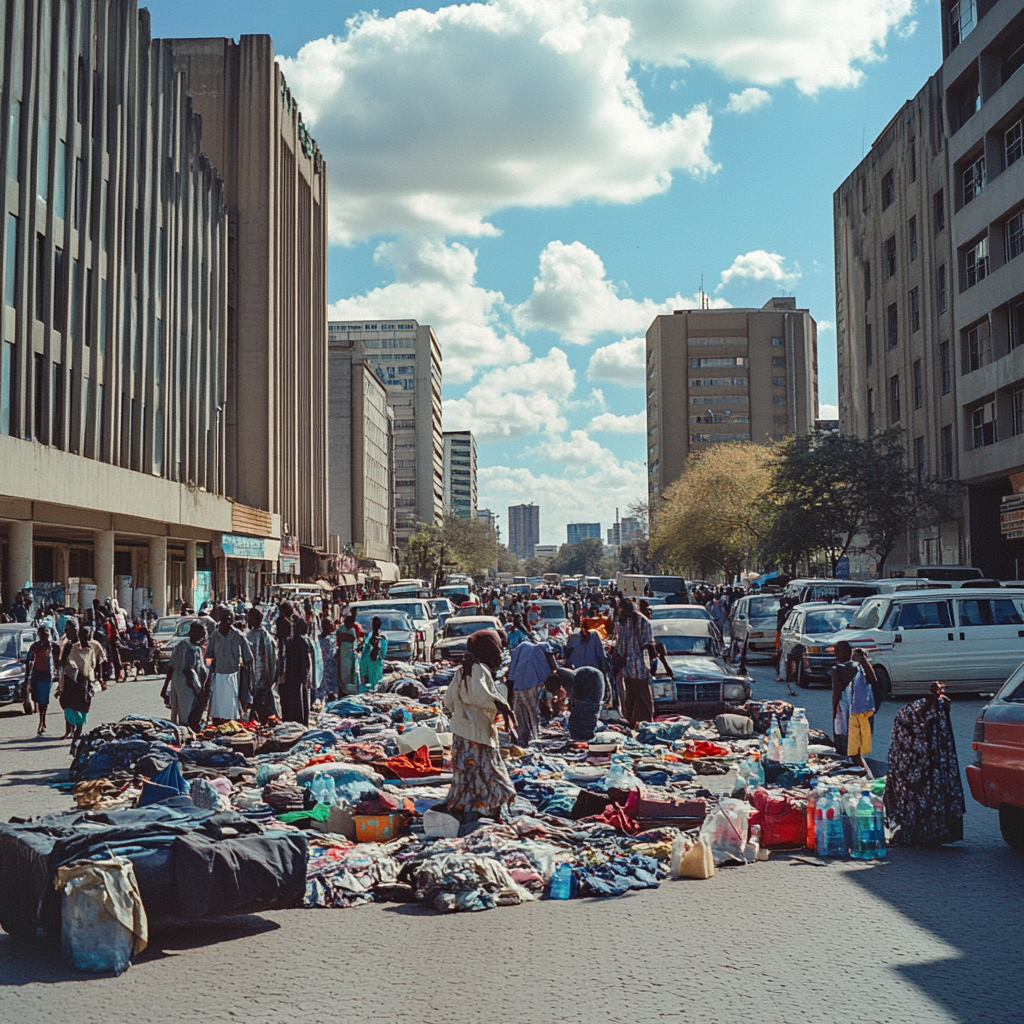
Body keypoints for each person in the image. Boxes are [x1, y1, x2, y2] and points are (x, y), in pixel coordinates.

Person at [442, 630, 516, 824]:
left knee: (467, 777)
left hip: (461, 734)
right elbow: (481, 696)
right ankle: (490, 812)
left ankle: (468, 813)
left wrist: (460, 710)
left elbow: (448, 700)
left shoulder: (462, 670)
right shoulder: (479, 669)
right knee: (492, 774)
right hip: (479, 735)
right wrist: (502, 707)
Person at [885, 681, 965, 846]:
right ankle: (933, 831)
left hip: (920, 762)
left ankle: (920, 832)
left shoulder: (920, 711)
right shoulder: (936, 708)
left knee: (917, 792)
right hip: (929, 761)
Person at [205, 604, 254, 724]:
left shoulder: (238, 636)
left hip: (233, 676)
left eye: (229, 617)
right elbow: (209, 654)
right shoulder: (215, 635)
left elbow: (249, 659)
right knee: (217, 709)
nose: (227, 620)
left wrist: (249, 681)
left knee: (232, 709)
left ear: (232, 619)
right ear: (220, 618)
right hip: (218, 675)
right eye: (224, 617)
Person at [830, 641, 877, 760]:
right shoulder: (859, 667)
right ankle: (859, 763)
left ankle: (856, 767)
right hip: (862, 711)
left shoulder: (836, 669)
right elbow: (873, 680)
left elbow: (837, 694)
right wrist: (864, 661)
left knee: (847, 745)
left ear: (836, 655)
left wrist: (834, 712)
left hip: (846, 712)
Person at [507, 638, 558, 747]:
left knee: (521, 713)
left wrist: (511, 682)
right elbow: (551, 669)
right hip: (530, 685)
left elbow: (512, 668)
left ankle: (523, 739)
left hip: (518, 685)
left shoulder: (523, 646)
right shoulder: (542, 648)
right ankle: (534, 738)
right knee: (532, 713)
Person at [615, 598, 656, 727]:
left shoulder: (643, 621)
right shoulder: (623, 622)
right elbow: (621, 644)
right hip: (628, 667)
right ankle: (630, 722)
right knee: (631, 696)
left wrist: (653, 663)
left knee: (643, 698)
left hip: (640, 667)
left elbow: (648, 645)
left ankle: (644, 724)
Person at [160, 622, 207, 727]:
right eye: (200, 632)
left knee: (194, 713)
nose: (202, 635)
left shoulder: (199, 649)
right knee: (184, 714)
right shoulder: (181, 647)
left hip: (195, 686)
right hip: (184, 686)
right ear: (191, 632)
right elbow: (174, 668)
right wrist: (165, 688)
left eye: (203, 633)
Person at [59, 625, 95, 756]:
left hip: (84, 684)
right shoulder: (71, 648)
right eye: (82, 635)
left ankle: (75, 741)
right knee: (70, 708)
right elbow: (64, 665)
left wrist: (95, 681)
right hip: (71, 683)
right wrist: (61, 685)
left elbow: (92, 666)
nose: (84, 637)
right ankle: (71, 733)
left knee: (83, 712)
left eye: (87, 635)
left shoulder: (90, 650)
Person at [245, 608, 279, 723]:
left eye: (249, 617)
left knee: (258, 706)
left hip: (258, 679)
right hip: (260, 679)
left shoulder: (254, 637)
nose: (247, 620)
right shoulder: (266, 636)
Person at [280, 618, 314, 725]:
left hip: (298, 676)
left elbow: (306, 662)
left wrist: (305, 677)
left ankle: (301, 723)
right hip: (293, 676)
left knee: (300, 701)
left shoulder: (302, 641)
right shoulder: (291, 641)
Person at [25, 625, 56, 735]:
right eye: (42, 633)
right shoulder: (35, 646)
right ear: (38, 634)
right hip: (36, 675)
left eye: (46, 632)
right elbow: (28, 661)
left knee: (43, 701)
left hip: (46, 676)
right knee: (36, 699)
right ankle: (42, 720)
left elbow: (58, 662)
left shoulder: (53, 646)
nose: (44, 635)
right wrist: (26, 681)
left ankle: (42, 722)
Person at [358, 616, 388, 693]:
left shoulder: (382, 638)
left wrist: (376, 647)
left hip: (375, 665)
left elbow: (383, 654)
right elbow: (363, 648)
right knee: (365, 686)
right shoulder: (369, 636)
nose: (375, 625)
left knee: (375, 686)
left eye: (377, 624)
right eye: (374, 623)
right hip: (365, 663)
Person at [335, 614, 360, 696]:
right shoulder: (341, 628)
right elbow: (339, 638)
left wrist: (345, 637)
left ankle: (348, 690)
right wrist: (346, 637)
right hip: (342, 654)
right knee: (341, 672)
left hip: (349, 655)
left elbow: (352, 639)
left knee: (350, 672)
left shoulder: (352, 630)